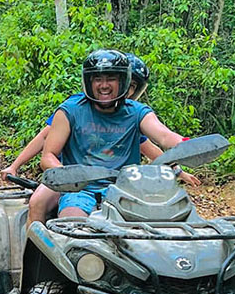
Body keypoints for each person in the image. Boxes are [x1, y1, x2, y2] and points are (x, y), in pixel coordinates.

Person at [38, 49, 188, 220]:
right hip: (80, 191)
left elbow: (164, 136)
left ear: (123, 82)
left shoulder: (136, 112)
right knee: (72, 224)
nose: (104, 85)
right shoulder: (70, 111)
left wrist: (186, 144)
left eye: (111, 78)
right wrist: (70, 176)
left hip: (127, 191)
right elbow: (48, 156)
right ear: (89, 81)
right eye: (97, 79)